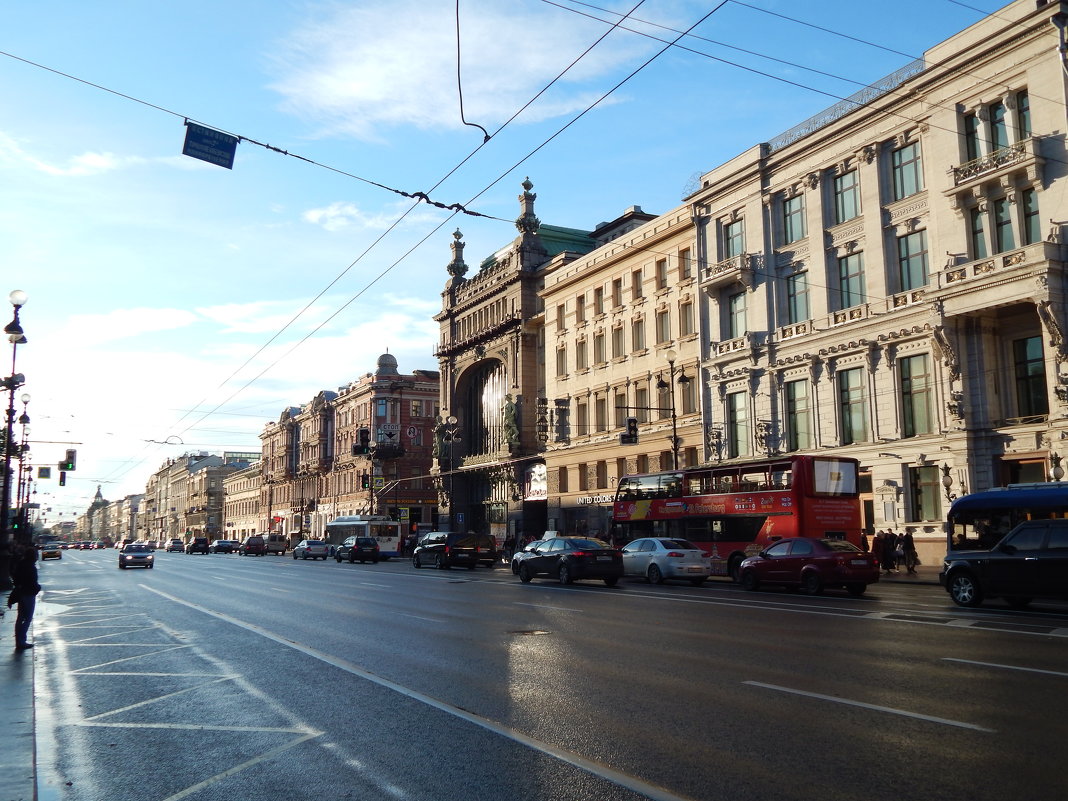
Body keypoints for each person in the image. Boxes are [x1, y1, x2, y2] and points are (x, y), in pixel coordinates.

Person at [9, 542, 41, 651]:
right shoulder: (31, 567)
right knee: (27, 618)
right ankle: (22, 641)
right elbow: (33, 582)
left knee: (20, 617)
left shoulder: (21, 564)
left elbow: (14, 575)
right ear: (34, 556)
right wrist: (38, 588)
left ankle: (19, 640)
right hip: (29, 594)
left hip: (21, 593)